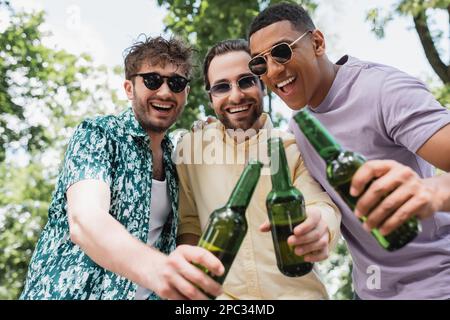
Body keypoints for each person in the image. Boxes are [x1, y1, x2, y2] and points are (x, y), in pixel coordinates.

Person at [248, 2, 450, 299]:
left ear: (317, 43)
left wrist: (432, 191)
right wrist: (316, 227)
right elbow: (321, 208)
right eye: (259, 64)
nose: (274, 70)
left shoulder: (383, 90)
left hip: (437, 283)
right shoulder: (299, 131)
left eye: (282, 51)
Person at [20, 36, 224, 300]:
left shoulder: (177, 161)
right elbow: (85, 220)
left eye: (176, 83)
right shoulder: (98, 134)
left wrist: (218, 134)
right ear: (129, 88)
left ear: (185, 93)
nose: (164, 92)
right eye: (152, 80)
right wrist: (159, 270)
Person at [174, 39, 341, 299]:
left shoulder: (292, 147)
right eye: (221, 87)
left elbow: (321, 206)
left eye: (245, 81)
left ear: (262, 84)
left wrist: (319, 227)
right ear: (210, 97)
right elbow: (189, 223)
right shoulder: (190, 150)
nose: (236, 95)